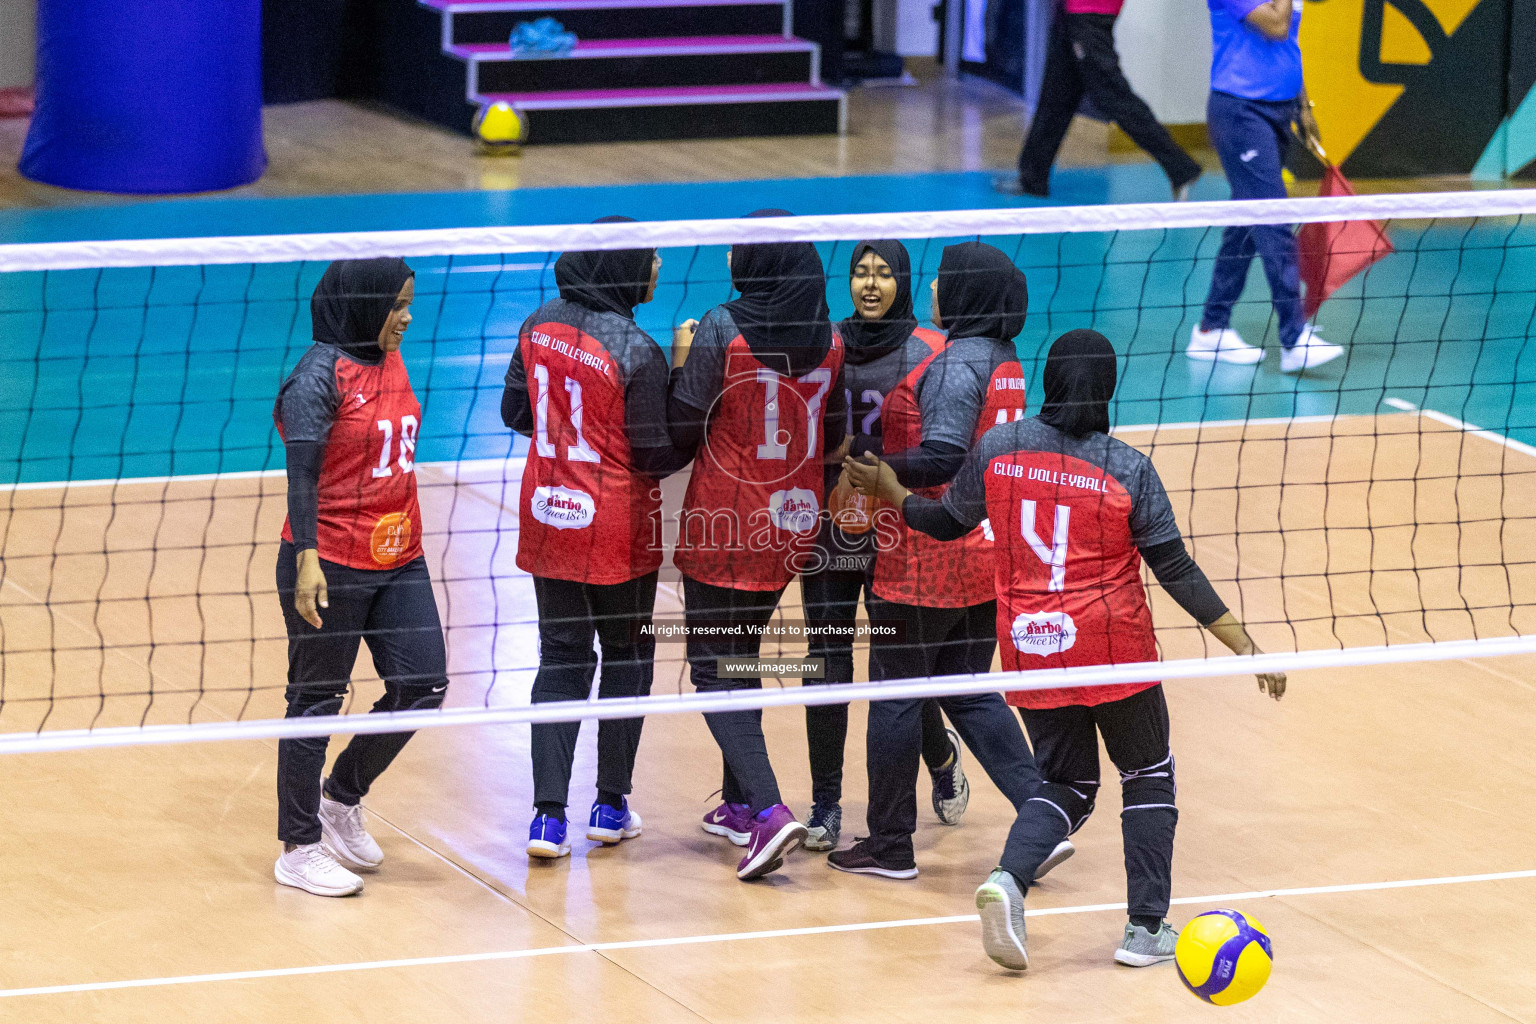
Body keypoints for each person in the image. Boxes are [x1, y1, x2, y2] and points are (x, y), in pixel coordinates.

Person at [847, 328, 1285, 970]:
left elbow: (947, 523)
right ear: (1107, 389)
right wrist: (1245, 645)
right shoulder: (1126, 468)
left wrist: (893, 494)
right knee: (1147, 776)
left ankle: (1008, 880)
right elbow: (1176, 571)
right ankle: (1144, 930)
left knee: (1068, 783)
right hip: (1114, 649)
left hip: (1032, 646)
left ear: (1049, 381)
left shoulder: (999, 448)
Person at [828, 242, 1069, 882]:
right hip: (988, 552)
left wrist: (876, 473)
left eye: (942, 281)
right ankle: (1042, 815)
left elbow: (942, 457)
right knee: (967, 689)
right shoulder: (1006, 359)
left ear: (965, 293)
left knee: (898, 697)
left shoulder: (958, 362)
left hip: (925, 554)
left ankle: (889, 844)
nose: (933, 289)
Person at [502, 218, 689, 861]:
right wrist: (687, 384)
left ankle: (546, 819)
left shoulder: (536, 323)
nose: (659, 262)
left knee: (561, 658)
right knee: (627, 657)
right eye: (651, 254)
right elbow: (656, 454)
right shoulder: (637, 349)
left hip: (550, 514)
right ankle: (610, 805)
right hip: (614, 525)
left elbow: (514, 414)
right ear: (624, 268)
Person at [668, 209, 847, 881]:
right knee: (739, 658)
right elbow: (828, 435)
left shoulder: (723, 326)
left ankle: (770, 811)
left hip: (725, 519)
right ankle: (741, 803)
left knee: (714, 669)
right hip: (791, 521)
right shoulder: (830, 338)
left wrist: (680, 359)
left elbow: (684, 423)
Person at [271, 257, 449, 898]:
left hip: (401, 553)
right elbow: (302, 478)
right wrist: (308, 560)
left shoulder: (386, 356)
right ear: (365, 303)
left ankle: (340, 798)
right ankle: (298, 846)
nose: (405, 316)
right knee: (315, 701)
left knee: (423, 684)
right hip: (332, 561)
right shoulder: (319, 377)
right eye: (396, 305)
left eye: (409, 303)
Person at [799, 239, 972, 854]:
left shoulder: (930, 349)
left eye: (883, 274)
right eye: (860, 273)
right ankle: (824, 804)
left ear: (903, 279)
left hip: (899, 524)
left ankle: (940, 753)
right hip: (830, 523)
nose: (870, 285)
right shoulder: (825, 342)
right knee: (826, 658)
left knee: (898, 661)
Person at [1187, 0, 1344, 371]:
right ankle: (1293, 338)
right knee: (1273, 217)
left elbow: (1288, 43)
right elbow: (1275, 25)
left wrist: (1303, 105)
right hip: (1241, 111)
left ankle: (1212, 329)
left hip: (1281, 108)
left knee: (1246, 219)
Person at [1000, 0, 1202, 200]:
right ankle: (1032, 178)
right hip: (1072, 14)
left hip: (1089, 15)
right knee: (1056, 96)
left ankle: (1181, 168)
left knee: (1115, 98)